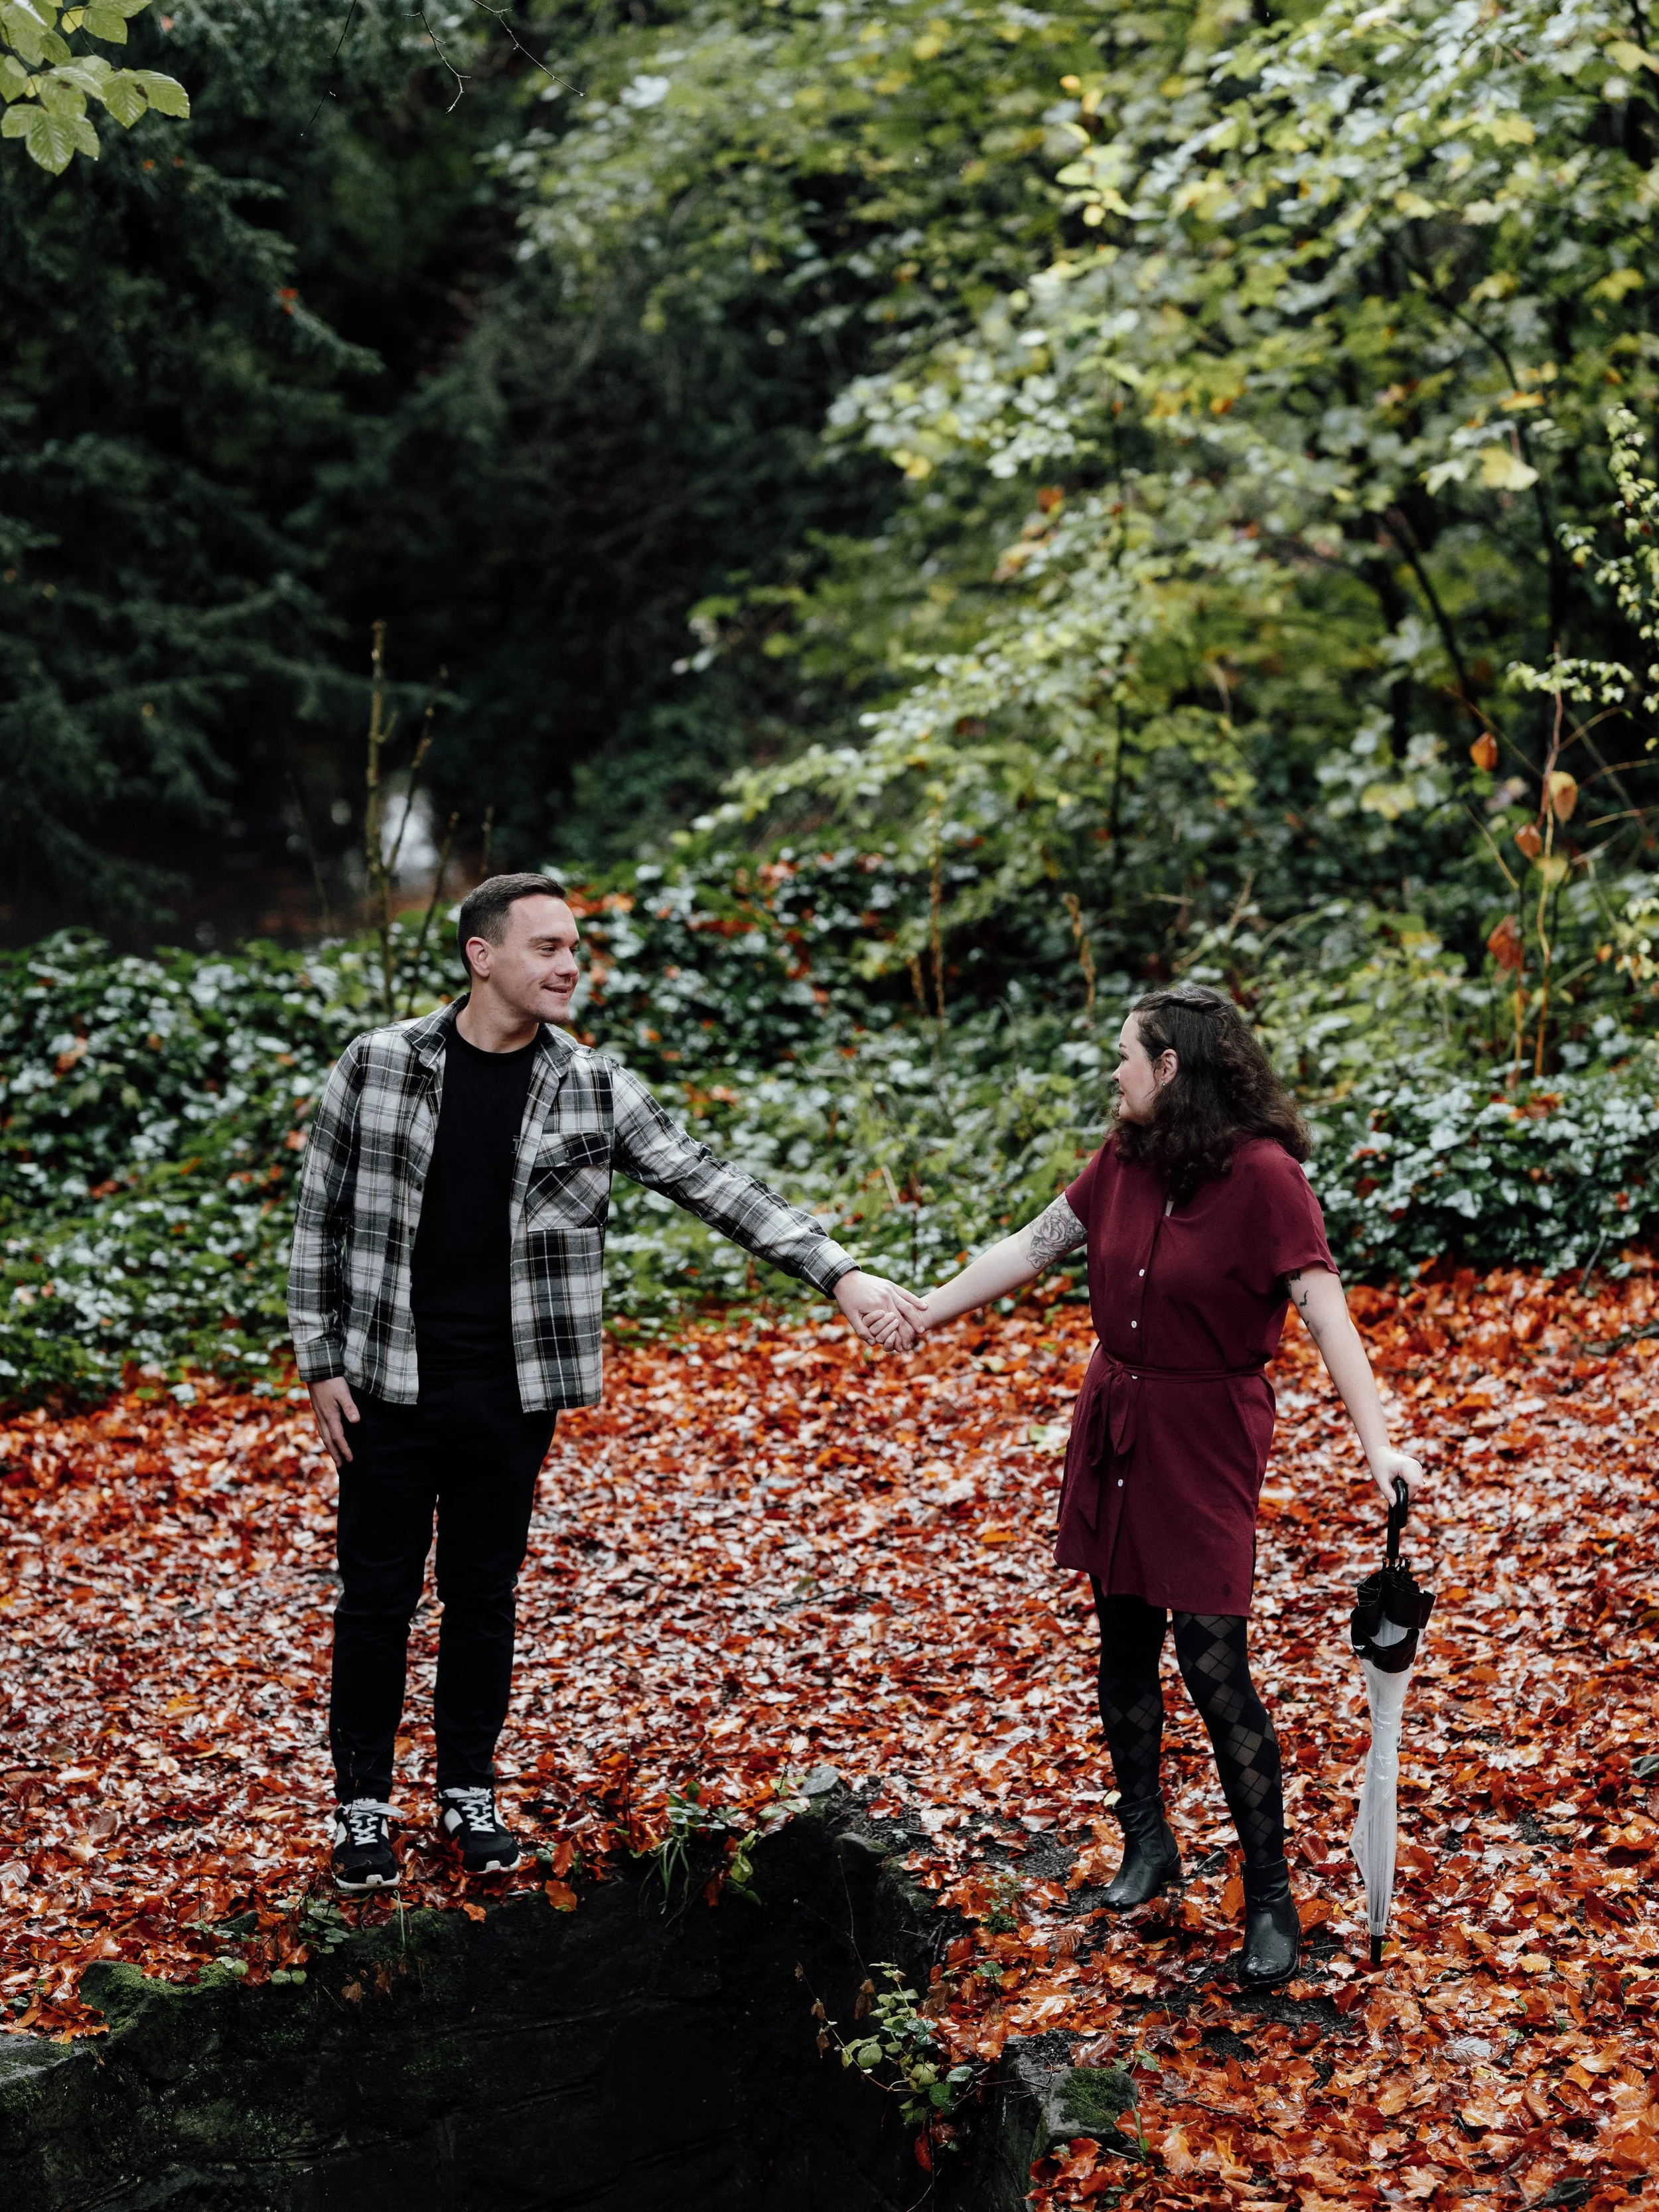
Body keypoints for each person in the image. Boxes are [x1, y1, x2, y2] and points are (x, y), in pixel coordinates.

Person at [289, 872, 924, 1892]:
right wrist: (318, 1357)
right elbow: (319, 1212)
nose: (568, 964)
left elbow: (711, 1181)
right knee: (375, 1602)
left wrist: (838, 1270)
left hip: (512, 1392)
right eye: (544, 947)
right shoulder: (379, 1064)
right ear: (480, 956)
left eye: (572, 946)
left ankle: (466, 1793)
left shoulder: (591, 1083)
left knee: (482, 1596)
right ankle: (361, 1806)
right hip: (385, 1385)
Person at [875, 986, 1421, 1987]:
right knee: (1122, 1639)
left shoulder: (1266, 1178)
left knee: (1215, 1667)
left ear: (1171, 1068)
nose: (1113, 1070)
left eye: (1126, 1054)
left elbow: (1327, 1315)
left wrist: (1377, 1445)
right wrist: (926, 1312)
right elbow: (1036, 1244)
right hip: (1117, 1419)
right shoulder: (1125, 1159)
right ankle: (1149, 1843)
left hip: (1206, 1433)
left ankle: (1269, 1899)